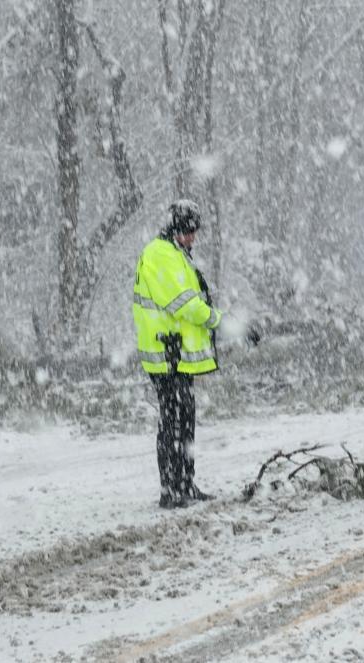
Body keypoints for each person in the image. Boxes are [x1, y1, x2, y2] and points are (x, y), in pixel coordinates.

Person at [131, 200, 222, 509]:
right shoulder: (160, 255)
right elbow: (185, 304)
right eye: (189, 232)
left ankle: (185, 482)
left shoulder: (175, 254)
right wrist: (219, 319)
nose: (193, 238)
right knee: (172, 421)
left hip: (176, 354)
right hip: (165, 354)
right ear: (176, 229)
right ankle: (170, 489)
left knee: (185, 418)